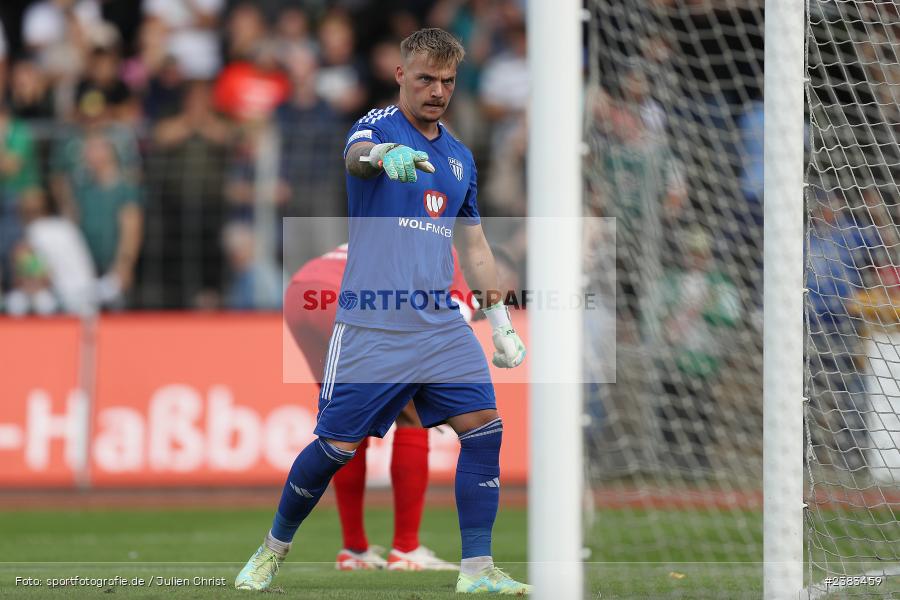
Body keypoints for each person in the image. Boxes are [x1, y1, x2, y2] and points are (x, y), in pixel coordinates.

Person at [235, 28, 531, 594]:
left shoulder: (459, 158)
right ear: (401, 75)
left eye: (447, 81)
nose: (437, 90)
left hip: (440, 324)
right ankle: (273, 548)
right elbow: (356, 159)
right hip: (373, 322)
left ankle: (476, 572)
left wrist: (499, 322)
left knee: (485, 429)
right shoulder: (378, 126)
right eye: (425, 79)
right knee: (335, 449)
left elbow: (474, 247)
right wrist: (381, 154)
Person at [284, 242, 474, 571]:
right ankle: (406, 549)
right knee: (412, 414)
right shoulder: (447, 251)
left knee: (345, 421)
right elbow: (452, 322)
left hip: (301, 294)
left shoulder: (395, 227)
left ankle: (354, 550)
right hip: (346, 301)